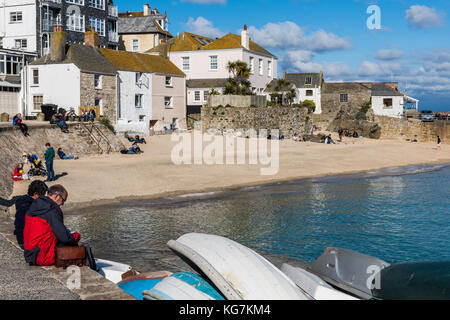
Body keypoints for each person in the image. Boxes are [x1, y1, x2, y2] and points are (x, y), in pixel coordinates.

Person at [23, 185, 81, 266]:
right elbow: (64, 238)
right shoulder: (51, 210)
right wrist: (77, 236)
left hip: (30, 253)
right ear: (57, 196)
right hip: (42, 256)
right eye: (63, 200)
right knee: (81, 251)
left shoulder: (36, 205)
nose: (63, 203)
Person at [14, 181, 48, 249]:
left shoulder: (23, 200)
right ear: (35, 194)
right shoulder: (29, 208)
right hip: (25, 242)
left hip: (22, 238)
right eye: (42, 195)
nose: (44, 198)